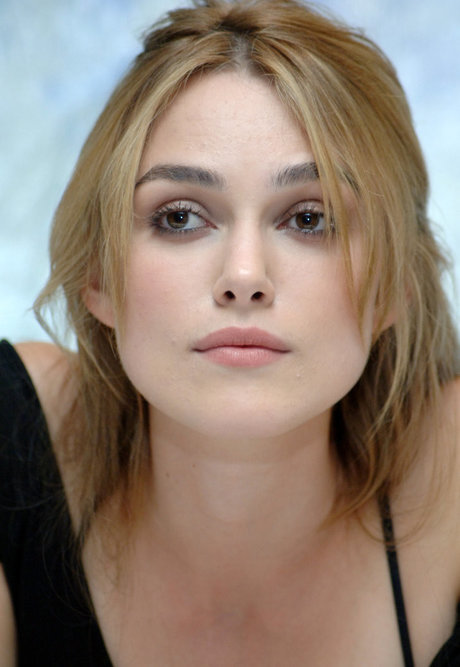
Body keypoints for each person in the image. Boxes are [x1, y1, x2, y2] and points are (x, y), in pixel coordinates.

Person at [1, 0, 459, 664]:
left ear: (393, 284)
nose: (244, 277)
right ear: (97, 275)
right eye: (180, 217)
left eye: (310, 219)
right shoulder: (16, 433)